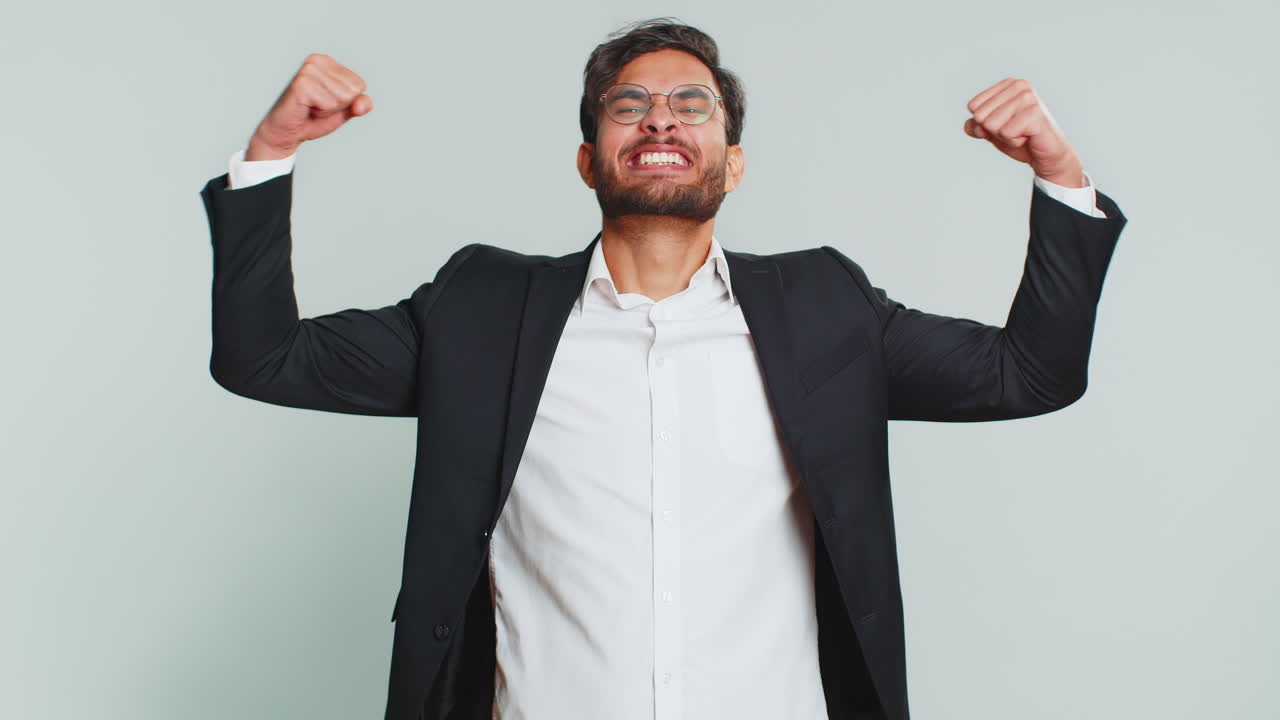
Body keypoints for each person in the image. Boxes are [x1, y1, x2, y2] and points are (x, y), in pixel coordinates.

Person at [199, 18, 1127, 720]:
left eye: (694, 106)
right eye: (628, 105)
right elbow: (265, 359)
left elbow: (1029, 375)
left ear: (733, 160)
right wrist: (272, 154)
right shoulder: (481, 310)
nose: (660, 121)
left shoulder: (827, 309)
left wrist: (1056, 169)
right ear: (587, 158)